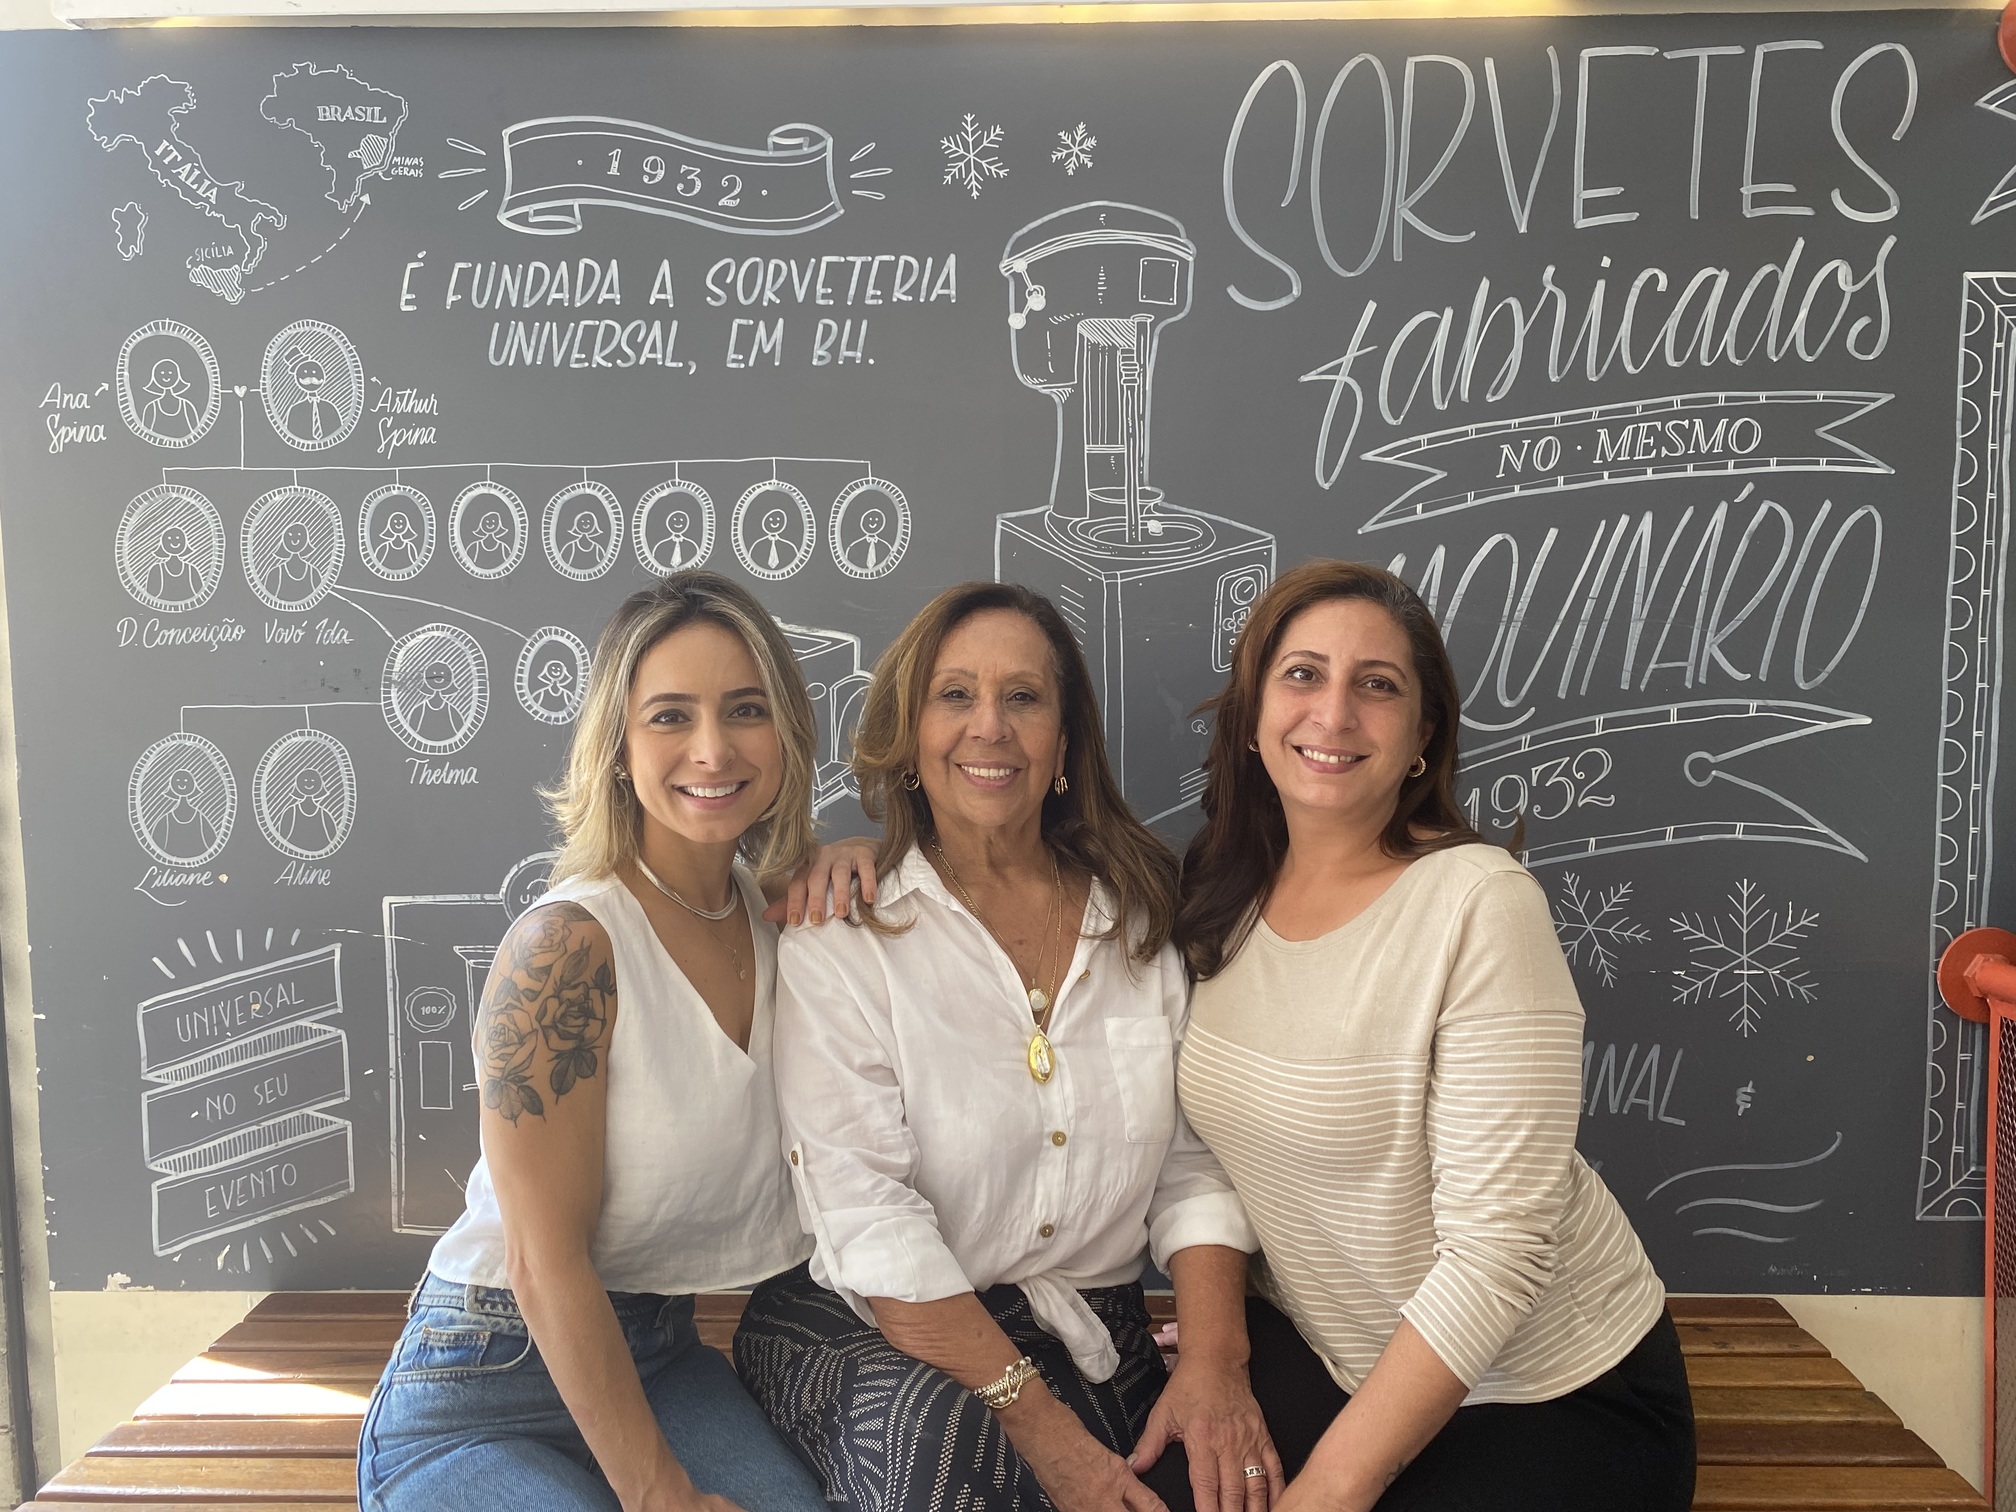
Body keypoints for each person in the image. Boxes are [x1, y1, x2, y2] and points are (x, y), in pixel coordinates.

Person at [737, 581, 1277, 1512]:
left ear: (1063, 745)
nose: (989, 726)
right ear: (911, 737)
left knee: (1216, 1481)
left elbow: (1193, 1170)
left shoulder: (1144, 923)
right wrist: (1048, 1439)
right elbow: (871, 1219)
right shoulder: (843, 935)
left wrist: (1214, 1366)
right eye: (955, 695)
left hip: (1093, 1328)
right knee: (946, 1461)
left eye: (1023, 697)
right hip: (884, 1330)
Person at [1166, 560, 1694, 1512]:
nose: (1333, 713)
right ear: (1252, 716)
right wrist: (1218, 1346)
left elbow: (1497, 1254)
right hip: (1330, 1355)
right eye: (1303, 674)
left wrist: (1330, 1488)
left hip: (1547, 1392)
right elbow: (1203, 1144)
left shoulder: (1481, 904)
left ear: (1422, 737)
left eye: (1377, 685)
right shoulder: (1218, 892)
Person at [359, 571, 870, 1512]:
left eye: (745, 709)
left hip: (658, 1356)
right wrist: (660, 1494)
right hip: (483, 1380)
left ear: (788, 733)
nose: (713, 748)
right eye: (670, 716)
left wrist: (873, 855)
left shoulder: (779, 921)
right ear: (618, 748)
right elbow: (541, 1261)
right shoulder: (565, 947)